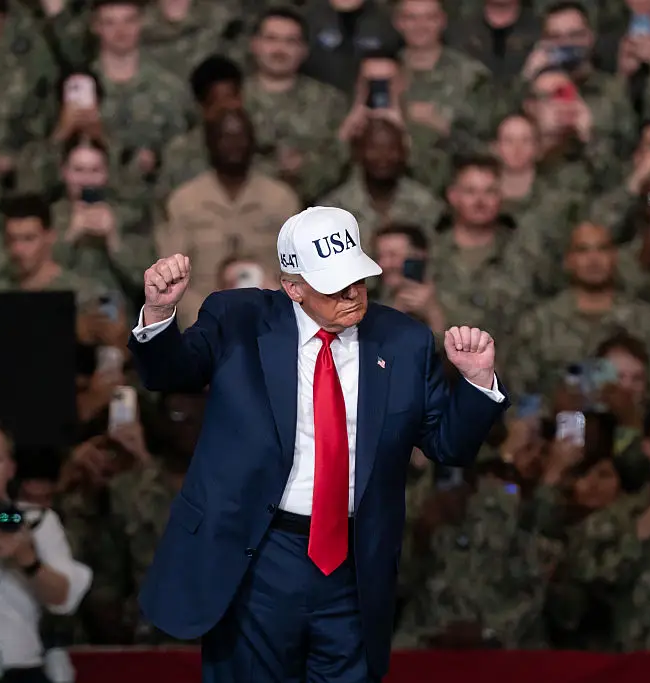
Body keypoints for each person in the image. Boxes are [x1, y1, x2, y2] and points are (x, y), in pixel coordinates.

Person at [129, 206, 508, 682]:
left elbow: (448, 445)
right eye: (334, 284)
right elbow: (170, 374)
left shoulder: (404, 341)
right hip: (257, 558)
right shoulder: (240, 319)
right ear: (294, 288)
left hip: (354, 567)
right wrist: (160, 314)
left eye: (358, 278)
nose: (352, 293)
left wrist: (476, 383)